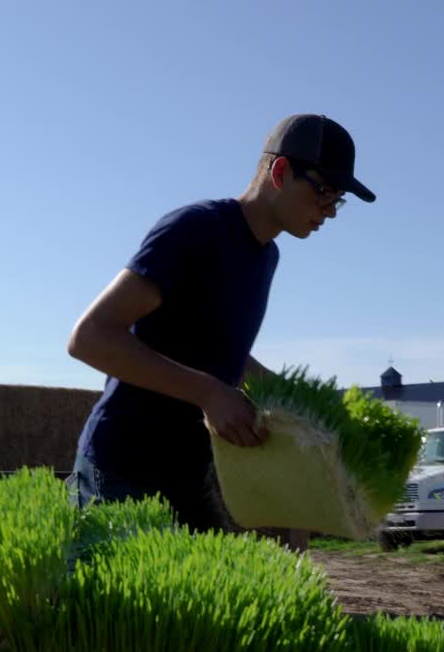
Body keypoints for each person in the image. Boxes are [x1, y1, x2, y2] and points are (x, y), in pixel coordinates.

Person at [65, 114, 376, 544]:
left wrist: (303, 407)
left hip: (192, 475)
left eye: (338, 199)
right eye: (324, 191)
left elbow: (220, 353)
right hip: (123, 468)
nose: (330, 211)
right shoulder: (195, 230)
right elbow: (90, 337)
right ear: (281, 172)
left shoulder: (266, 258)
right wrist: (209, 392)